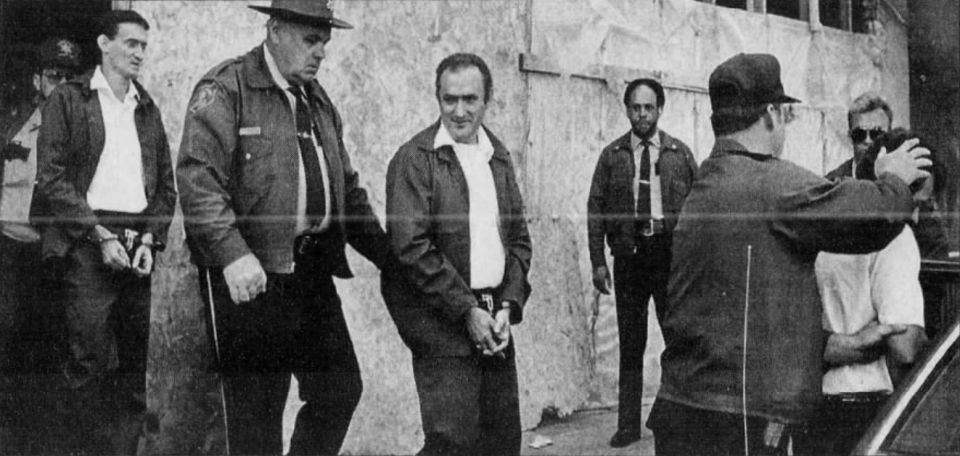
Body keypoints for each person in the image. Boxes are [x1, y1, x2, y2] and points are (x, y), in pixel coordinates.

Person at [646, 53, 932, 456]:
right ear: (771, 115)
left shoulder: (706, 183)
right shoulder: (771, 182)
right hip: (739, 423)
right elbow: (874, 220)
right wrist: (894, 178)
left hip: (684, 409)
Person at [176, 1, 388, 454]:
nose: (320, 53)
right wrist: (232, 255)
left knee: (339, 389)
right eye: (310, 40)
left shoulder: (318, 100)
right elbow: (198, 180)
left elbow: (346, 191)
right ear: (274, 29)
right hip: (251, 276)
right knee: (257, 416)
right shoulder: (227, 88)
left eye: (325, 43)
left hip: (310, 270)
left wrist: (392, 257)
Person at [34, 10, 176, 455]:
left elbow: (166, 188)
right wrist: (100, 235)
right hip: (86, 243)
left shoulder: (146, 107)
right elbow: (53, 178)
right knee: (89, 364)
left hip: (137, 246)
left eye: (143, 46)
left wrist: (151, 240)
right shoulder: (70, 100)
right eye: (131, 43)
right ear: (104, 43)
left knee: (133, 370)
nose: (139, 53)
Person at [383, 52, 532, 456]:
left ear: (488, 100)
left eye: (470, 99)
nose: (460, 111)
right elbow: (411, 247)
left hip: (493, 319)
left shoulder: (498, 158)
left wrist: (507, 306)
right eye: (450, 100)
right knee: (453, 442)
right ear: (438, 99)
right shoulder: (415, 160)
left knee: (502, 441)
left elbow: (518, 241)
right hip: (440, 319)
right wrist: (467, 311)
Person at [799, 130, 931, 456]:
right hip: (869, 409)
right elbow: (905, 348)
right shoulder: (897, 237)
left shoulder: (824, 225)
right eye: (916, 201)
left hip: (812, 406)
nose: (914, 216)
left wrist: (834, 346)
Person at [586, 78, 697, 447]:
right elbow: (595, 209)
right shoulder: (613, 155)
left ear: (660, 109)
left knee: (677, 339)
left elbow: (699, 209)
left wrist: (694, 262)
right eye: (636, 107)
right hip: (630, 257)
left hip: (669, 257)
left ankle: (678, 416)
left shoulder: (679, 154)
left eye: (649, 107)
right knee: (631, 344)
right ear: (627, 110)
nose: (643, 114)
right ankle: (629, 425)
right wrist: (598, 262)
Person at [0, 37, 80, 453]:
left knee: (53, 348)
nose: (62, 84)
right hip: (8, 253)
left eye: (70, 76)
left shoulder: (83, 128)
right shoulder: (12, 121)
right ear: (37, 79)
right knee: (8, 340)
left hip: (54, 256)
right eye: (54, 76)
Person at [827, 95, 950, 258]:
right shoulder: (832, 186)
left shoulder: (921, 185)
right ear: (850, 137)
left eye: (877, 134)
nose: (868, 141)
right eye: (859, 134)